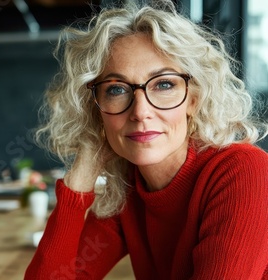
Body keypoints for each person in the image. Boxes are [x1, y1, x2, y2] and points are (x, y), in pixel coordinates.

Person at [25, 1, 268, 279]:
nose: (140, 112)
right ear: (96, 107)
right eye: (116, 89)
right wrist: (79, 179)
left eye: (164, 84)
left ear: (193, 99)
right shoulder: (128, 191)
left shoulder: (245, 171)